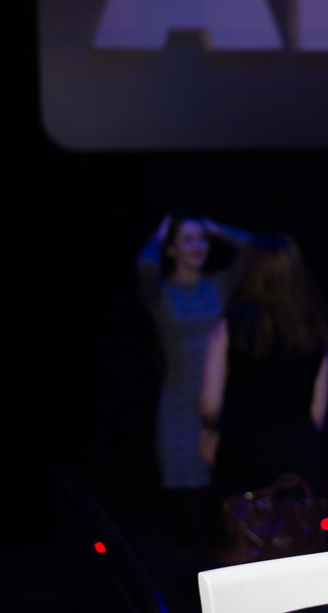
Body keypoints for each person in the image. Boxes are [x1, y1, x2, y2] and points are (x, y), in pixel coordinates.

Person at [198, 232, 328, 556]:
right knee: (298, 550)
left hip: (241, 454)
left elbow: (209, 404)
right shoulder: (316, 329)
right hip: (297, 456)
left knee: (242, 550)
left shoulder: (229, 327)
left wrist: (211, 431)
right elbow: (317, 415)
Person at [136, 211, 251, 556]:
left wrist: (218, 229)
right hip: (178, 403)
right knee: (184, 506)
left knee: (221, 497)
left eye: (201, 239)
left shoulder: (217, 284)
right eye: (187, 239)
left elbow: (254, 251)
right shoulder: (160, 292)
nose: (198, 246)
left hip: (218, 401)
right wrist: (159, 235)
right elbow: (144, 266)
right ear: (172, 248)